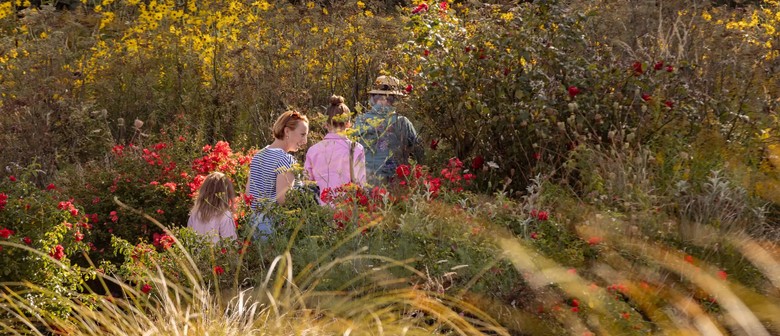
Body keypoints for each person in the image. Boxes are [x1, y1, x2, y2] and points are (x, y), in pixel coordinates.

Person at [245, 110, 309, 237]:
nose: (305, 140)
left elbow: (248, 193)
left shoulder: (259, 155)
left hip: (253, 224)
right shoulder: (286, 159)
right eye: (302, 134)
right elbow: (283, 199)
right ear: (287, 132)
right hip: (274, 226)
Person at [353, 75, 423, 185]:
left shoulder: (359, 121)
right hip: (394, 183)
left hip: (364, 181)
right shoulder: (402, 122)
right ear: (394, 99)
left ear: (373, 98)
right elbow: (419, 151)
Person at [304, 95, 366, 202]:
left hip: (319, 210)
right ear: (348, 124)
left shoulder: (313, 150)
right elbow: (361, 183)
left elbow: (307, 183)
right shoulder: (356, 149)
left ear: (325, 124)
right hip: (347, 208)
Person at [187, 172, 237, 243]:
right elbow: (230, 245)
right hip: (216, 253)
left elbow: (189, 240)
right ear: (227, 193)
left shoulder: (195, 214)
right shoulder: (225, 216)